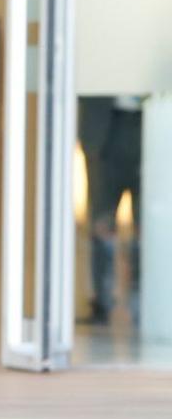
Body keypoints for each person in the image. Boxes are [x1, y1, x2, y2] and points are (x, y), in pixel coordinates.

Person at [78, 95, 143, 325]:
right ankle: (101, 306)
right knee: (101, 225)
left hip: (149, 122)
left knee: (146, 228)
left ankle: (143, 304)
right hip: (104, 131)